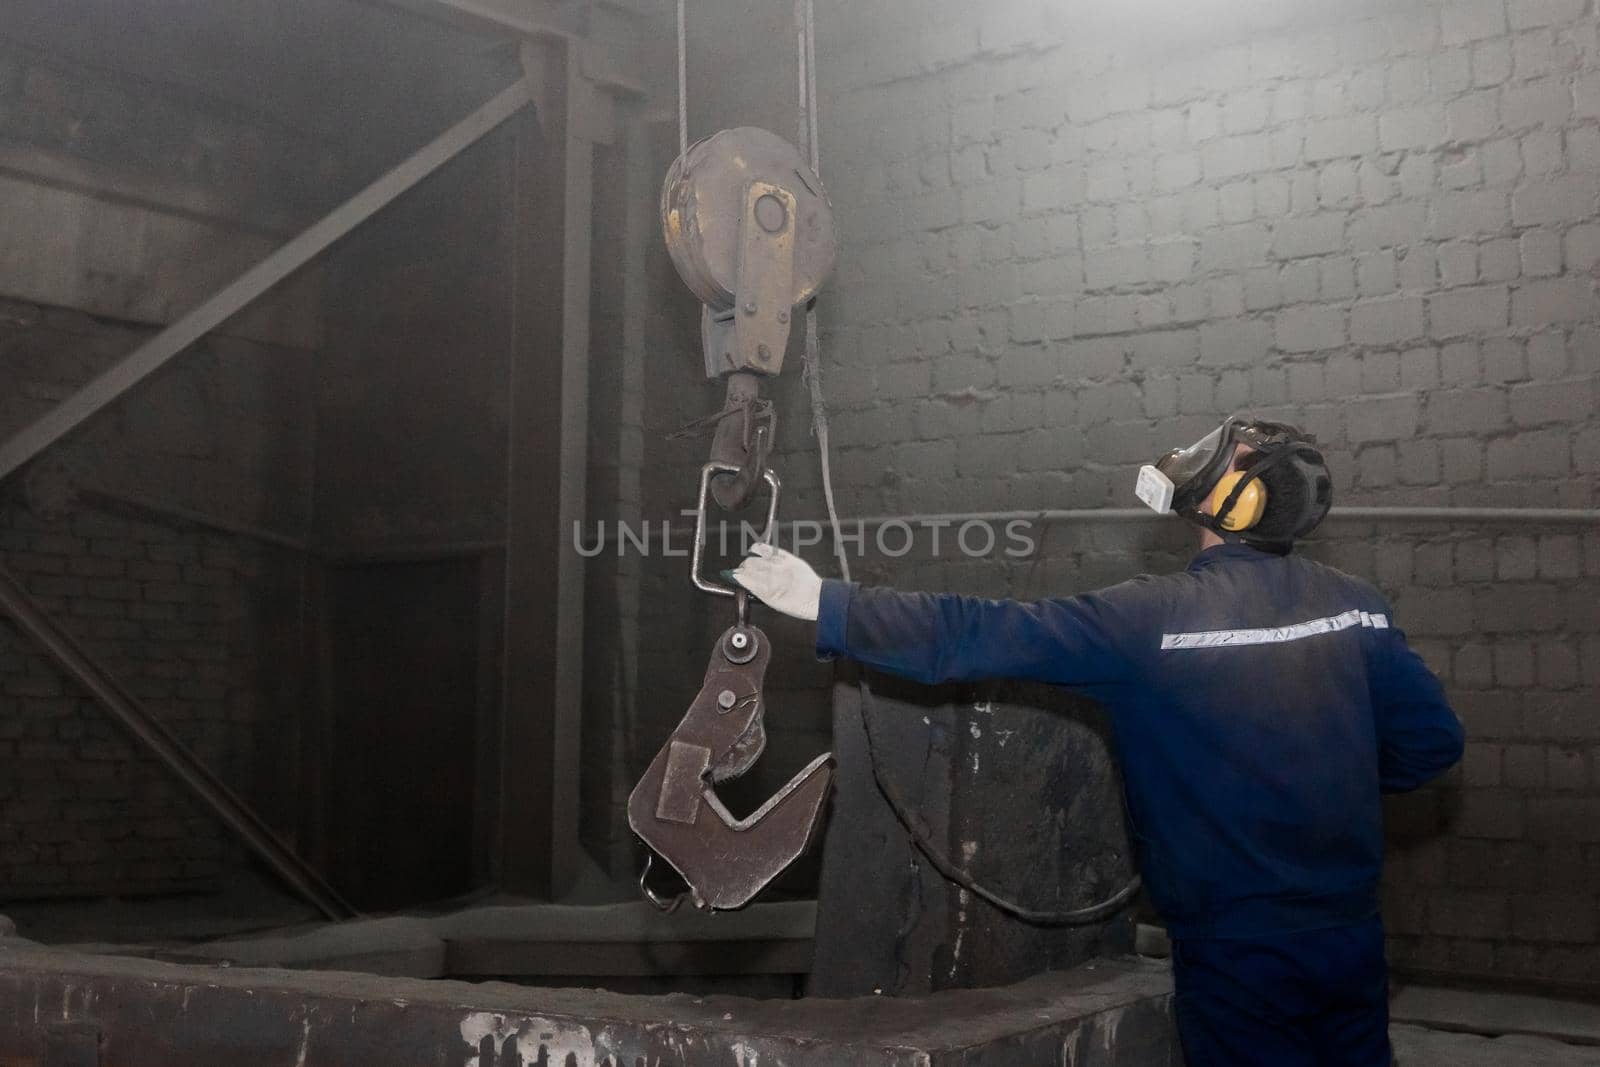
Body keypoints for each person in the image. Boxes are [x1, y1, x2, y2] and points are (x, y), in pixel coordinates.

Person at [732, 415, 1463, 1067]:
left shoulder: (1152, 620)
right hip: (1350, 933)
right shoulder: (1357, 609)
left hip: (1235, 949)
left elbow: (982, 634)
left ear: (1231, 499)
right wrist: (1328, 786)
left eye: (1224, 452)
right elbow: (1433, 743)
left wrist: (829, 603)